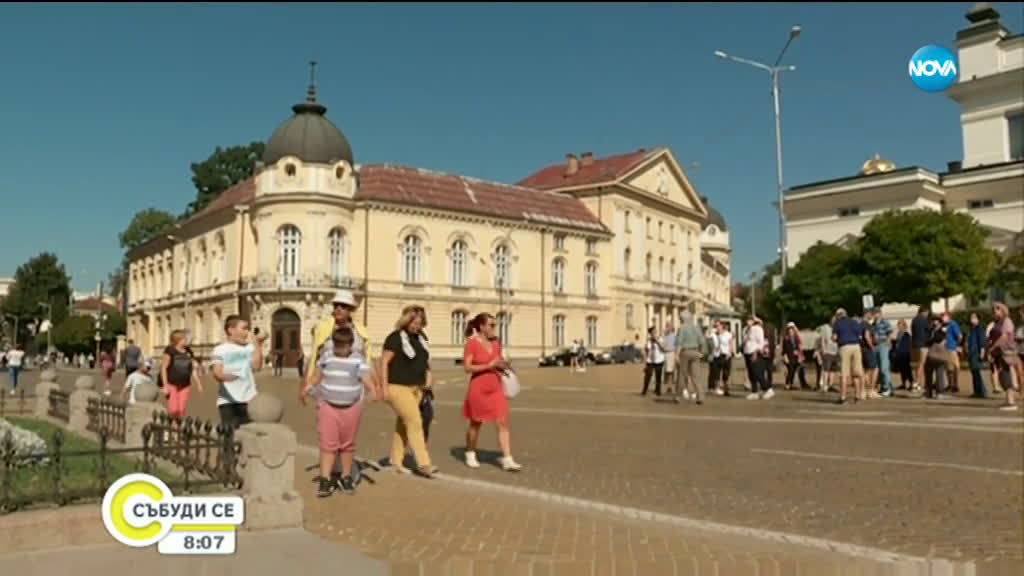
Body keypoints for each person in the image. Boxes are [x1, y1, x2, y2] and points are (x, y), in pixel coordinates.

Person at [302, 325, 373, 497]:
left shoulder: (358, 359)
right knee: (328, 444)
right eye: (337, 345)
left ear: (351, 344)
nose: (341, 349)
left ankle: (346, 477)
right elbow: (317, 376)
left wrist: (375, 390)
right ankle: (325, 479)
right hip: (328, 406)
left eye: (344, 345)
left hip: (351, 407)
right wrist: (306, 388)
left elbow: (365, 377)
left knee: (347, 445)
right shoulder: (327, 356)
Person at [380, 306, 438, 477]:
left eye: (419, 323)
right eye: (413, 322)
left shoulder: (422, 338)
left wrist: (428, 383)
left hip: (417, 388)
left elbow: (426, 362)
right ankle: (424, 463)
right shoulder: (395, 338)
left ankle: (396, 461)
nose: (415, 326)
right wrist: (383, 387)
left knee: (403, 426)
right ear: (406, 320)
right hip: (397, 386)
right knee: (414, 421)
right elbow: (383, 363)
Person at [462, 312, 522, 471]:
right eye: (491, 325)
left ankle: (507, 459)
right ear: (481, 327)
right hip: (478, 388)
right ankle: (470, 452)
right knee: (476, 423)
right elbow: (467, 367)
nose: (494, 328)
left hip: (496, 387)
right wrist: (488, 365)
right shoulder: (472, 343)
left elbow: (498, 362)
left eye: (495, 325)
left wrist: (503, 364)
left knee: (503, 422)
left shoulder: (496, 343)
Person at [210, 316, 265, 429]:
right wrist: (227, 377)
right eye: (243, 328)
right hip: (228, 401)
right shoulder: (220, 349)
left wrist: (258, 344)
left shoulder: (249, 348)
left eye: (247, 329)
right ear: (231, 330)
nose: (247, 332)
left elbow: (256, 366)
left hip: (249, 399)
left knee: (248, 436)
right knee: (230, 437)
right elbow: (217, 372)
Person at [161, 330, 203, 420]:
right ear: (178, 340)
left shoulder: (189, 351)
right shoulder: (170, 350)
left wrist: (198, 383)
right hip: (172, 384)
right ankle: (171, 429)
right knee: (174, 409)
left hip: (185, 385)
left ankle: (177, 430)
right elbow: (164, 368)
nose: (186, 340)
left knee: (181, 410)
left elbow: (192, 369)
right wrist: (165, 386)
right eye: (184, 338)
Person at [989, 302, 1019, 411]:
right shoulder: (999, 322)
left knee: (1007, 375)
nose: (994, 312)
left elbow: (1004, 337)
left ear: (1002, 310)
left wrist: (993, 347)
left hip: (1007, 352)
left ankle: (1011, 402)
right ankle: (1008, 400)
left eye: (995, 310)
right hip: (1000, 352)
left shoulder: (1007, 321)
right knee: (1003, 375)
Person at [833, 308, 864, 404]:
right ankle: (857, 396)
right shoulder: (854, 322)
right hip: (856, 347)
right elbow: (860, 336)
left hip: (845, 347)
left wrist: (836, 340)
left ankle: (843, 397)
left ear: (838, 315)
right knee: (856, 373)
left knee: (844, 374)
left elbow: (834, 337)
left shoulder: (837, 324)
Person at [675, 312, 704, 405]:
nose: (680, 320)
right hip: (695, 352)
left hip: (685, 352)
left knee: (682, 375)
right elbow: (702, 341)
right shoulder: (696, 327)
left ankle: (678, 396)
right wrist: (701, 352)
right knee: (696, 376)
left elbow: (679, 342)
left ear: (683, 319)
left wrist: (676, 354)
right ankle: (700, 397)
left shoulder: (682, 328)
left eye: (680, 319)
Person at [743, 318, 771, 400]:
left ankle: (767, 389)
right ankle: (754, 391)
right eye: (747, 321)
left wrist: (756, 352)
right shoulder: (746, 330)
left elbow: (761, 342)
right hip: (747, 353)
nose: (748, 322)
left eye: (750, 320)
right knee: (751, 374)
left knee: (757, 373)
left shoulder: (757, 329)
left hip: (754, 353)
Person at [923, 318, 949, 399]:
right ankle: (929, 391)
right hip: (931, 355)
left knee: (939, 373)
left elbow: (937, 339)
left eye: (937, 324)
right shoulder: (931, 332)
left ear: (940, 325)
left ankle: (939, 392)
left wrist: (932, 340)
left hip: (939, 356)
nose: (935, 326)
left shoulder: (942, 332)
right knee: (928, 372)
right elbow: (927, 341)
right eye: (934, 324)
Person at [871, 308, 894, 397]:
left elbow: (890, 333)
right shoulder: (873, 324)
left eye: (876, 313)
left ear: (880, 314)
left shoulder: (885, 322)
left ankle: (887, 388)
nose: (875, 315)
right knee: (879, 368)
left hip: (883, 344)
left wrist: (888, 342)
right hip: (876, 345)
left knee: (884, 367)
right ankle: (884, 386)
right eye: (874, 314)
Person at [966, 313, 988, 399]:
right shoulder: (971, 330)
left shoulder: (979, 329)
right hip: (971, 354)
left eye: (974, 318)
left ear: (978, 319)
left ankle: (982, 392)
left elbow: (982, 342)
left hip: (976, 354)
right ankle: (977, 392)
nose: (972, 319)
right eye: (971, 317)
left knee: (977, 373)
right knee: (974, 374)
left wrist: (982, 353)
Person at [711, 320, 735, 396]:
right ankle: (717, 388)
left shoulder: (728, 334)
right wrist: (710, 325)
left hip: (725, 355)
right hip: (717, 355)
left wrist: (730, 353)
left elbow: (731, 344)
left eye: (718, 325)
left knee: (726, 373)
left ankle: (726, 389)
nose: (716, 327)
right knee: (716, 372)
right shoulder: (714, 334)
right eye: (716, 326)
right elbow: (707, 335)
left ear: (722, 326)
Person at [816, 317, 839, 393]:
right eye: (833, 320)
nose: (834, 321)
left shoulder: (838, 327)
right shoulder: (825, 328)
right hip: (827, 351)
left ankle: (830, 385)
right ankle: (825, 386)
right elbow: (822, 339)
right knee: (826, 369)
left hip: (835, 351)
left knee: (833, 370)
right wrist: (823, 351)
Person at [641, 326, 665, 397]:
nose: (654, 334)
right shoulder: (648, 341)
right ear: (650, 334)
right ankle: (644, 390)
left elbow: (663, 349)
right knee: (647, 376)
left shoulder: (660, 339)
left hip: (659, 360)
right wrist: (644, 364)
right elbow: (646, 352)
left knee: (658, 377)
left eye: (655, 332)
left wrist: (657, 341)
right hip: (650, 361)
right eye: (652, 333)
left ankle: (658, 391)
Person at [782, 322, 808, 390]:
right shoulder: (786, 339)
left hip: (796, 357)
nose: (791, 333)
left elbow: (799, 347)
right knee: (790, 370)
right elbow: (784, 350)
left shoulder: (796, 338)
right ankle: (787, 384)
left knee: (794, 371)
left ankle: (791, 383)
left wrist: (799, 354)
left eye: (792, 331)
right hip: (789, 357)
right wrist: (785, 357)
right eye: (790, 332)